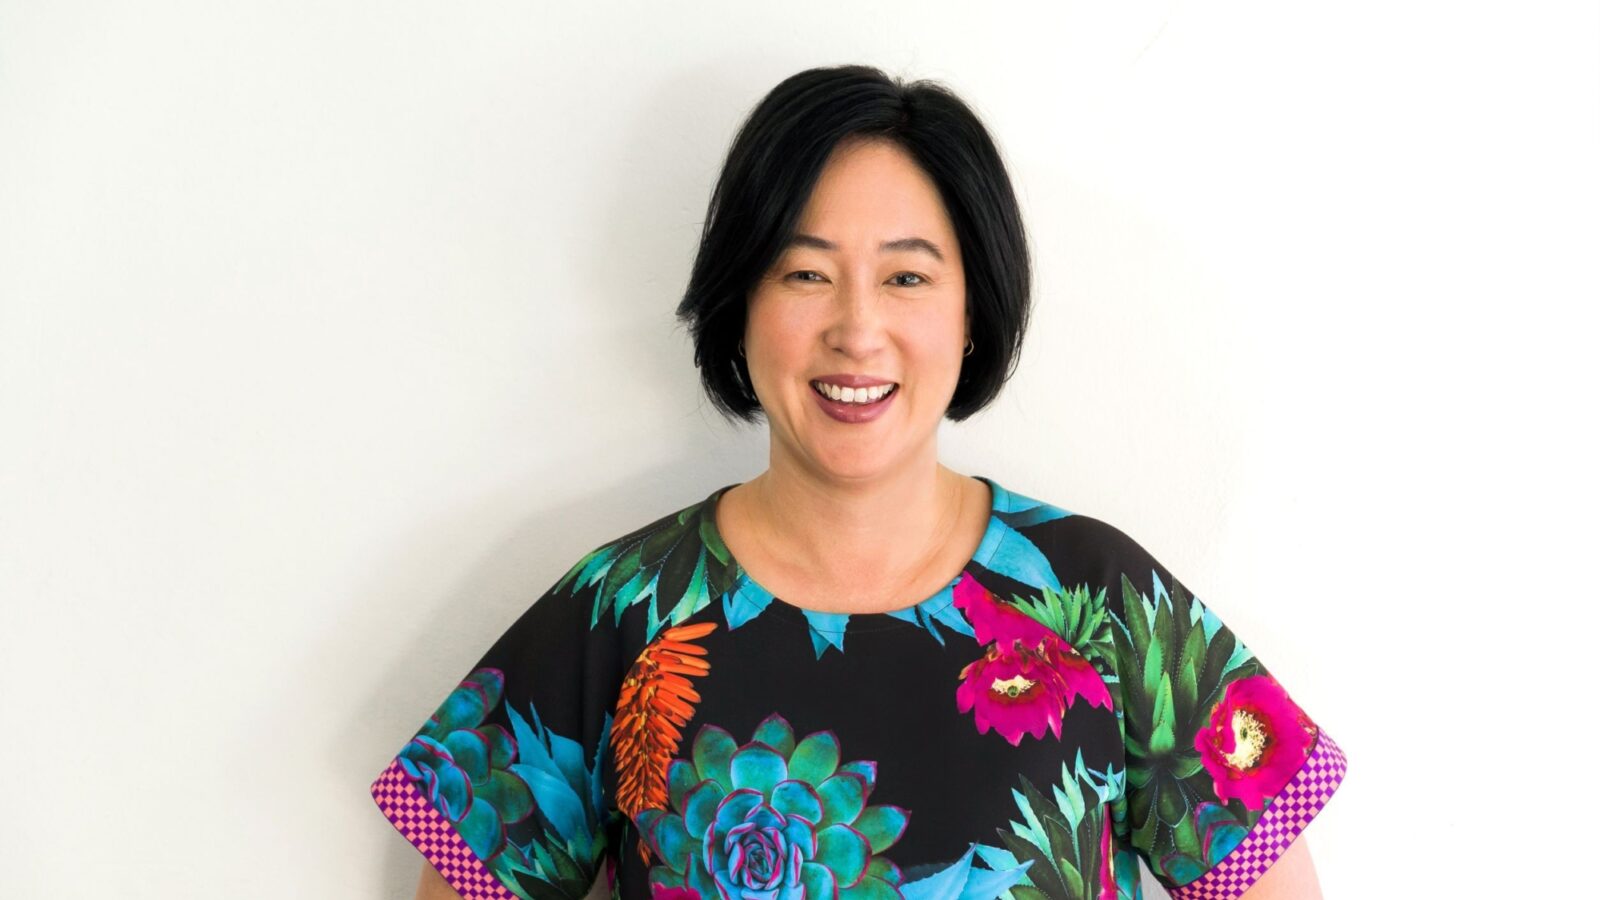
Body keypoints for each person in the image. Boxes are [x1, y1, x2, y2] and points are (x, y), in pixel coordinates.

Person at [370, 64, 1346, 900]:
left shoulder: (1099, 599)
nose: (857, 328)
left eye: (907, 278)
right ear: (739, 304)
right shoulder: (620, 612)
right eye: (804, 274)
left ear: (973, 314)